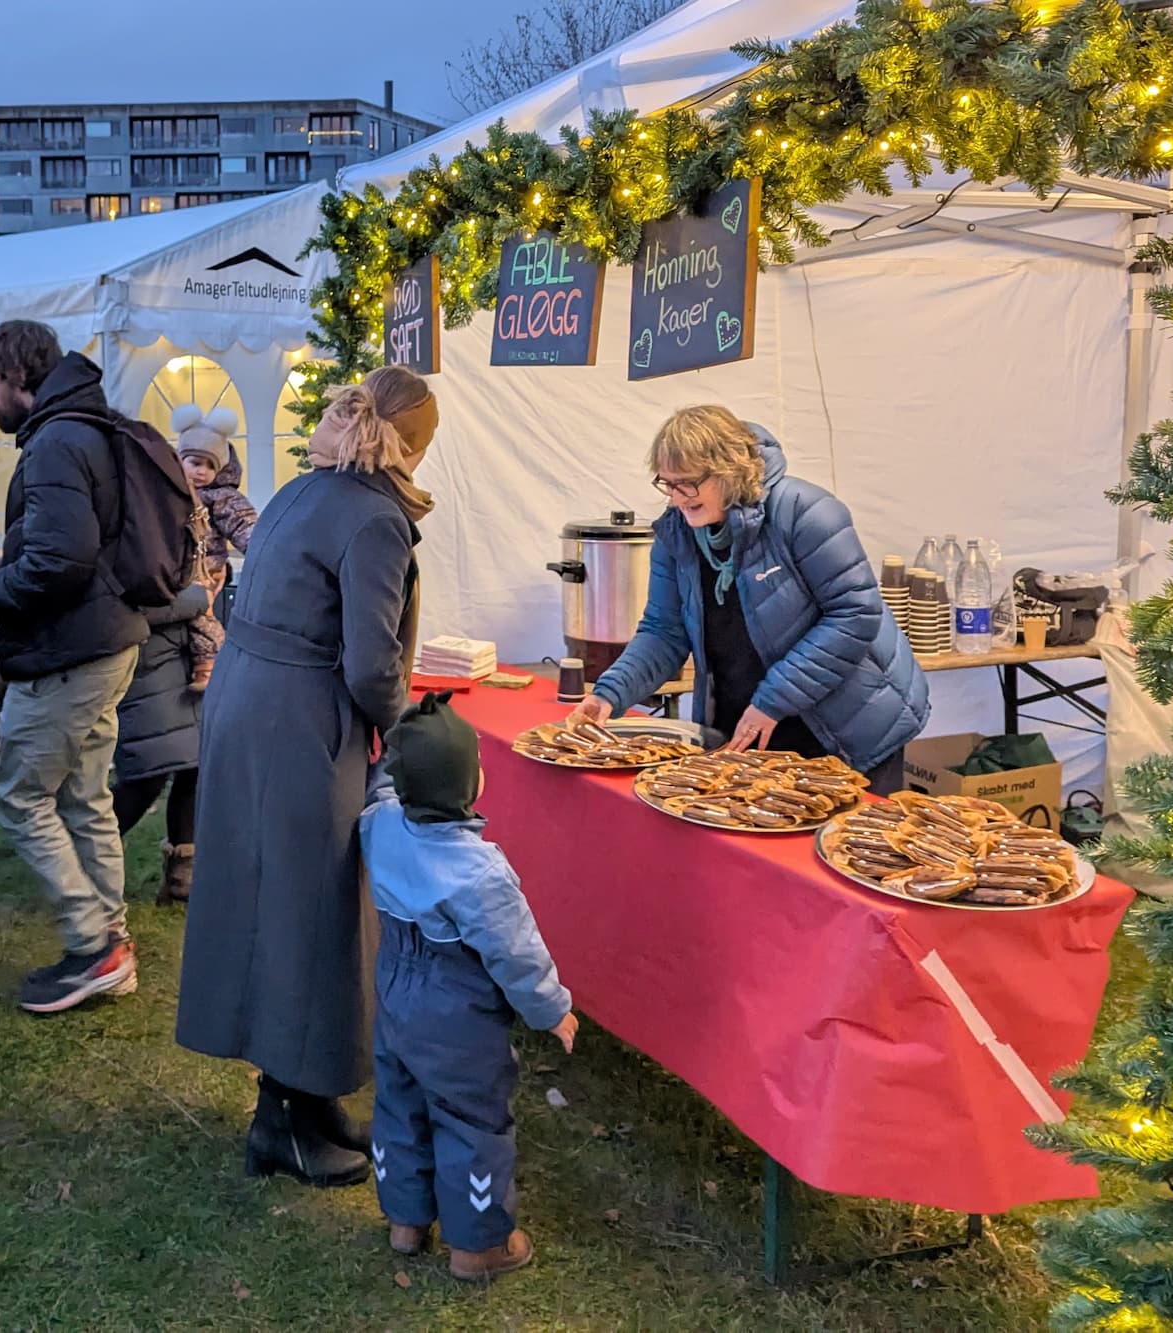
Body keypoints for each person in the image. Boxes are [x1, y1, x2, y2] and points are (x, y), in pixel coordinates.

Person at [176, 365, 438, 1187]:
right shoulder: (375, 519)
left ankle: (310, 1096)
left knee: (272, 898)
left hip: (248, 704)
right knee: (308, 911)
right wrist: (409, 739)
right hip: (297, 720)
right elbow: (371, 666)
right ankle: (282, 1120)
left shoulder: (303, 488)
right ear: (417, 445)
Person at [567, 406, 928, 789]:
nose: (675, 499)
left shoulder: (806, 512)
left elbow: (854, 615)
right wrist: (610, 693)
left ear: (727, 470)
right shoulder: (676, 534)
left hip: (846, 724)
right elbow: (663, 631)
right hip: (749, 724)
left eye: (686, 483)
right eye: (667, 484)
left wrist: (772, 701)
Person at [0, 320, 147, 1014]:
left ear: (18, 375)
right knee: (85, 796)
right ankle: (111, 946)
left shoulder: (57, 440)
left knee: (22, 797)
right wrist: (8, 560)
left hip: (72, 651)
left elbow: (64, 562)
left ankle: (93, 944)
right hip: (104, 640)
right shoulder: (82, 425)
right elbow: (83, 543)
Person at [361, 692, 578, 1281]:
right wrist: (551, 1009)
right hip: (455, 1010)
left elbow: (384, 791)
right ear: (468, 785)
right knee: (471, 1118)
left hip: (396, 993)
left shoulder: (378, 826)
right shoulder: (480, 870)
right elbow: (517, 955)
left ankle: (405, 1223)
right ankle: (477, 1246)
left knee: (399, 1101)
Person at [110, 564, 212, 906]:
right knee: (146, 775)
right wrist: (198, 596)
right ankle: (83, 857)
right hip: (142, 666)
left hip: (173, 664)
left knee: (192, 766)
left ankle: (182, 877)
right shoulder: (129, 534)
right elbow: (130, 604)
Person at [169, 405, 258, 691]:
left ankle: (210, 664)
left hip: (206, 566)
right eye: (195, 463)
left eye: (210, 467)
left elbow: (245, 526)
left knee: (202, 614)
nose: (201, 472)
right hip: (177, 567)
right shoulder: (169, 492)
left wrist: (261, 550)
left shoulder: (221, 498)